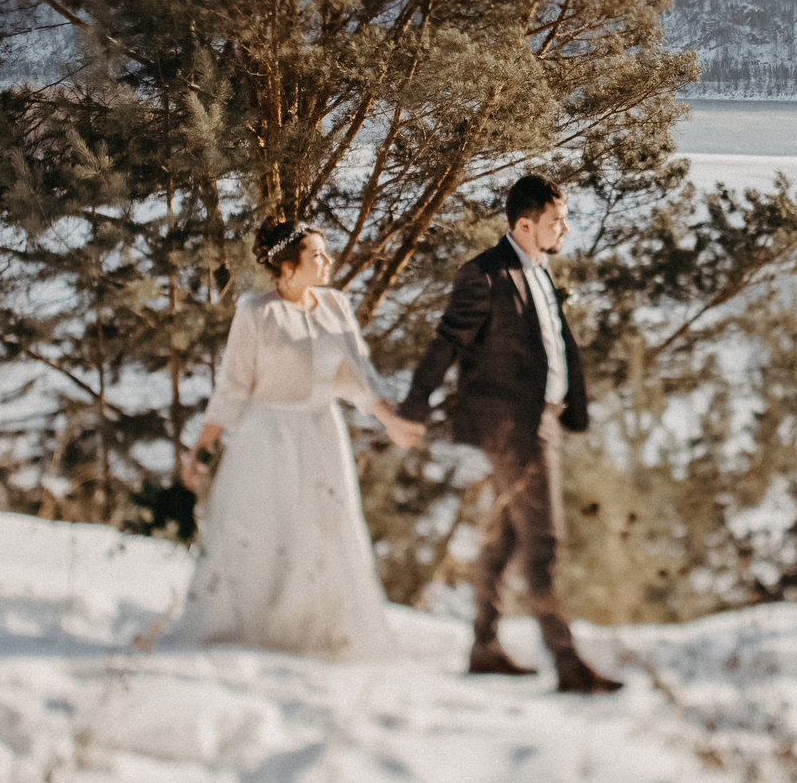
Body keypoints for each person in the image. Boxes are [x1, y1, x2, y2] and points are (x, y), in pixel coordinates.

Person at [398, 174, 623, 693]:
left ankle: (485, 646)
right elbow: (447, 342)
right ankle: (567, 661)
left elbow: (553, 343)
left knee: (505, 539)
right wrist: (413, 407)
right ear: (525, 225)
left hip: (542, 421)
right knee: (544, 540)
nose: (565, 228)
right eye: (556, 221)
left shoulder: (540, 268)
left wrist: (571, 406)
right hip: (513, 430)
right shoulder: (484, 274)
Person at [173, 217, 424, 658]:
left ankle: (315, 628)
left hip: (323, 433)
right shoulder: (256, 311)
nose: (328, 261)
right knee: (261, 530)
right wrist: (201, 448)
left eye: (326, 252)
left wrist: (391, 420)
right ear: (287, 266)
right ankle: (249, 629)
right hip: (266, 437)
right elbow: (233, 386)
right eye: (316, 255)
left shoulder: (336, 307)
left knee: (326, 528)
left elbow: (358, 379)